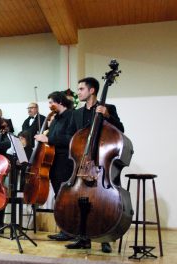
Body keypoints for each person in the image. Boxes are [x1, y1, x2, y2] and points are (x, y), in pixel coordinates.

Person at [64, 77, 125, 253]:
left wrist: (107, 116)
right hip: (82, 163)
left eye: (81, 89)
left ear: (92, 91)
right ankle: (82, 237)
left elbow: (120, 130)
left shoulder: (108, 108)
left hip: (101, 163)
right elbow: (70, 135)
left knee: (103, 202)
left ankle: (104, 238)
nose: (78, 92)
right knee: (81, 202)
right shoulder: (75, 113)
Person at [33, 92, 74, 242]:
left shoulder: (71, 116)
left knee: (66, 197)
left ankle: (70, 230)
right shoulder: (55, 119)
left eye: (51, 102)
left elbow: (70, 138)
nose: (49, 106)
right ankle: (64, 230)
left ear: (60, 102)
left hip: (65, 162)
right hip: (53, 163)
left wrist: (48, 138)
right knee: (59, 196)